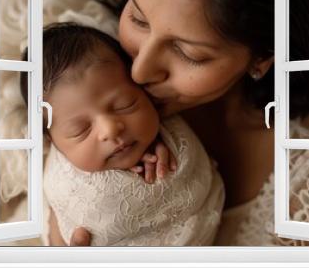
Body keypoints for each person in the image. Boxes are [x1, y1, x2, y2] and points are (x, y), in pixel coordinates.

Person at [73, 0, 309, 246]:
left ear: (262, 58)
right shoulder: (80, 64)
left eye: (189, 54)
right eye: (138, 19)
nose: (140, 71)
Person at [19, 22, 224, 246]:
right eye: (81, 130)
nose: (110, 129)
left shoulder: (173, 124)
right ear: (52, 142)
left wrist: (161, 138)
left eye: (125, 105)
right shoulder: (64, 185)